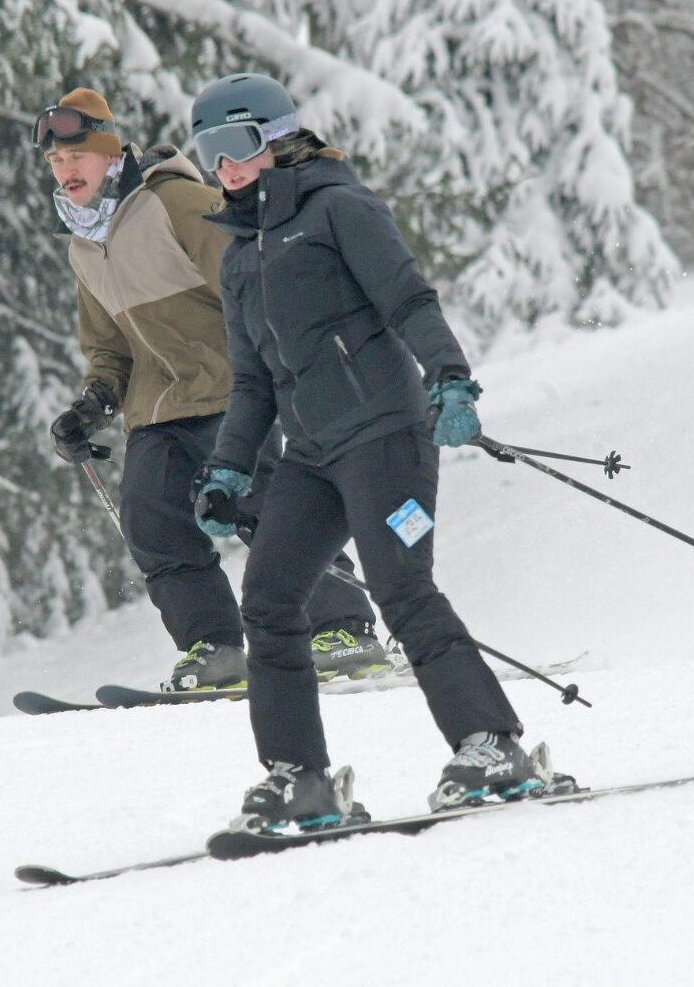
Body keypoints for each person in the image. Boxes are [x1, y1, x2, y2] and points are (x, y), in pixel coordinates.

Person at [185, 73, 573, 831]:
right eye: (209, 152)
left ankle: (491, 745)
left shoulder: (339, 208)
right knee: (266, 599)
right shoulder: (239, 259)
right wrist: (229, 467)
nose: (224, 166)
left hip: (386, 436)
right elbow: (254, 383)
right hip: (311, 455)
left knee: (401, 588)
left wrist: (450, 380)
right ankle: (299, 777)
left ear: (276, 137)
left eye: (236, 145)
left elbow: (408, 300)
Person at [35, 87, 383, 691]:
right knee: (152, 524)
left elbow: (255, 276)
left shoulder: (173, 203)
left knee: (271, 512)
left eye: (77, 158)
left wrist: (298, 360)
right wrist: (93, 403)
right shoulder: (83, 242)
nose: (67, 172)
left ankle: (345, 628)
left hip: (235, 391)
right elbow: (109, 346)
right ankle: (214, 647)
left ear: (110, 153)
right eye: (57, 163)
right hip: (157, 408)